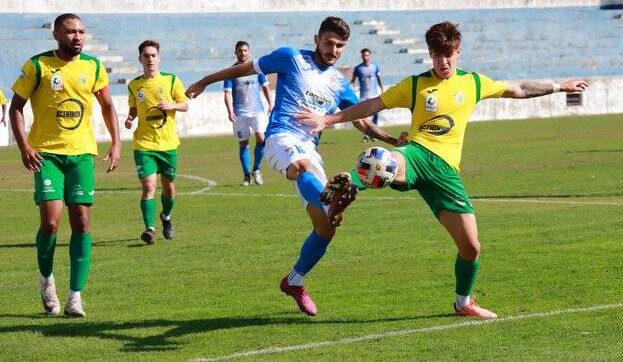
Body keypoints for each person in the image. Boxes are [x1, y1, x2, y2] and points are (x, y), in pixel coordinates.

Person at [297, 21, 588, 319]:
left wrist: (559, 86)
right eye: (437, 56)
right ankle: (344, 188)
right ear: (430, 54)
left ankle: (463, 303)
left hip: (446, 173)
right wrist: (329, 119)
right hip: (417, 154)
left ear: (458, 52)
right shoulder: (415, 85)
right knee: (382, 162)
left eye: (448, 56)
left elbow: (519, 88)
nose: (443, 62)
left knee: (471, 247)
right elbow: (371, 105)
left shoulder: (473, 83)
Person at [186, 16, 399, 316]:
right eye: (328, 43)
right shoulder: (291, 58)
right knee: (300, 168)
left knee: (325, 229)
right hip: (281, 136)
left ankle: (294, 281)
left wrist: (392, 140)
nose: (333, 50)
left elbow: (361, 119)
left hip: (311, 150)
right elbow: (246, 68)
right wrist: (205, 81)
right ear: (316, 39)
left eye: (340, 46)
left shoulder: (338, 82)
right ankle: (330, 195)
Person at [9, 13, 121, 317]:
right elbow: (15, 107)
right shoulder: (38, 66)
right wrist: (24, 146)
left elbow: (108, 105)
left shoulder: (94, 66)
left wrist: (116, 141)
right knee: (51, 222)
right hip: (46, 155)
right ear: (57, 34)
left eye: (82, 32)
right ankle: (46, 280)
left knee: (82, 222)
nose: (78, 37)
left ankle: (75, 296)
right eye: (71, 32)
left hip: (82, 154)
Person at [125, 40, 189, 245]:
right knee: (148, 186)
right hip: (144, 144)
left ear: (158, 57)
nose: (150, 59)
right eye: (146, 56)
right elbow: (134, 108)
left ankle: (166, 217)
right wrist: (130, 118)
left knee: (169, 188)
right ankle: (149, 228)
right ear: (140, 59)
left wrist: (171, 105)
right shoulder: (134, 85)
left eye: (153, 55)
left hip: (168, 144)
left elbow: (185, 104)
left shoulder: (171, 81)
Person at [223, 41, 272, 186]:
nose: (242, 53)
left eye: (245, 50)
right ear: (235, 53)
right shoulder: (231, 71)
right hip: (240, 113)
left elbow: (265, 87)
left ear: (248, 52)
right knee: (243, 144)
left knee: (262, 139)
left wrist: (271, 103)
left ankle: (256, 169)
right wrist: (229, 111)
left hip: (257, 110)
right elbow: (227, 92)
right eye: (240, 51)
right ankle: (246, 176)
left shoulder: (256, 68)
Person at [352, 48, 385, 142]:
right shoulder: (358, 68)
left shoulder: (375, 67)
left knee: (376, 115)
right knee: (363, 117)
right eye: (363, 56)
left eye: (366, 55)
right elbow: (352, 81)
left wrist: (382, 89)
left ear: (369, 56)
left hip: (374, 94)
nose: (365, 57)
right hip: (363, 96)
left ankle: (374, 135)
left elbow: (379, 78)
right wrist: (353, 88)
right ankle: (366, 135)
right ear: (361, 56)